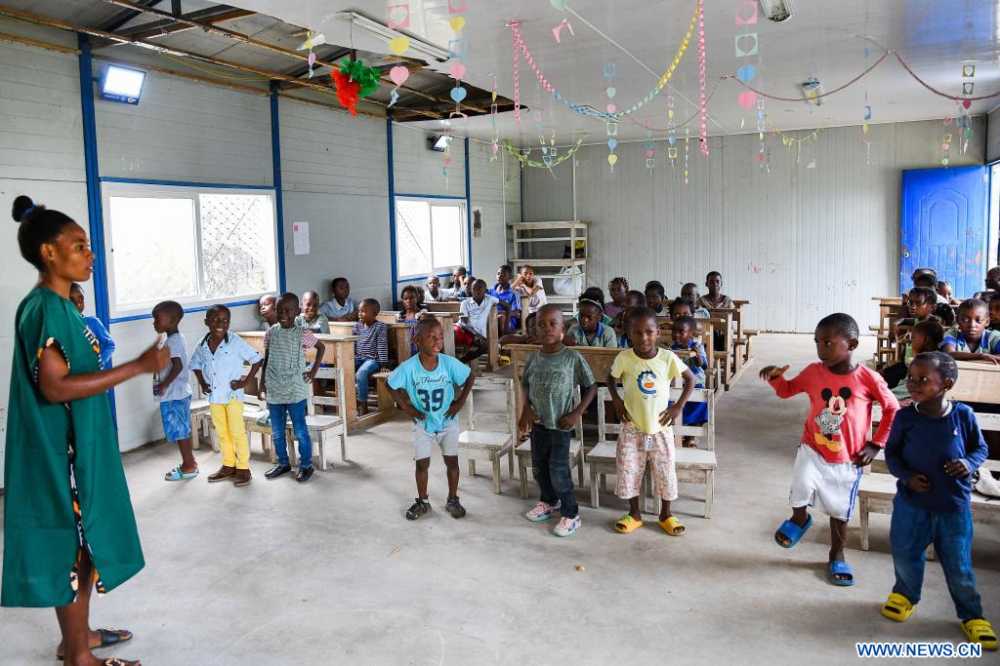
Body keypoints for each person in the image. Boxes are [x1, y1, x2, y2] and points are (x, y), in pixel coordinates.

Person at [4, 195, 169, 665]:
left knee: (85, 545)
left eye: (89, 246)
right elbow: (55, 388)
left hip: (78, 446)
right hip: (61, 453)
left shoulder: (64, 307)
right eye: (78, 246)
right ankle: (79, 655)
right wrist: (136, 366)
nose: (90, 254)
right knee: (74, 550)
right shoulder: (43, 309)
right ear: (49, 253)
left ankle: (76, 638)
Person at [760, 313, 899, 586]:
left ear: (852, 344)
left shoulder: (868, 378)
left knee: (838, 510)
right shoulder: (813, 372)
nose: (820, 350)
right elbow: (787, 390)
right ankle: (799, 518)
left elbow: (893, 408)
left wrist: (875, 443)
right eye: (817, 343)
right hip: (812, 446)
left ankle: (837, 552)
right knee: (800, 485)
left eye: (827, 343)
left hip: (849, 458)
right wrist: (776, 378)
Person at [881, 352, 996, 652]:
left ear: (946, 384)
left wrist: (969, 463)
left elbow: (980, 449)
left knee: (958, 564)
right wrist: (907, 477)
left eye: (923, 379)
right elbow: (892, 454)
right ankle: (905, 595)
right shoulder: (905, 416)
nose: (914, 384)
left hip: (952, 506)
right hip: (911, 503)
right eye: (911, 378)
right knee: (905, 553)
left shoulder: (963, 416)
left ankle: (972, 615)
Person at [607, 307, 695, 536]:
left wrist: (678, 407)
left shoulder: (667, 358)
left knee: (665, 472)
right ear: (628, 333)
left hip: (661, 428)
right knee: (628, 469)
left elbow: (690, 380)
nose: (643, 338)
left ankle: (666, 514)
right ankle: (634, 514)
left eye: (649, 332)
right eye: (637, 333)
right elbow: (610, 378)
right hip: (632, 427)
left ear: (658, 332)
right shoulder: (624, 358)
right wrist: (616, 400)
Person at [519, 304, 597, 537]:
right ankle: (549, 502)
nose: (546, 329)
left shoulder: (572, 358)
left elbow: (591, 386)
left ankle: (571, 514)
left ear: (563, 328)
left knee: (558, 473)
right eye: (541, 325)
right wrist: (525, 408)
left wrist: (577, 412)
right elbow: (525, 385)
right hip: (539, 425)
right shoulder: (534, 358)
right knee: (539, 469)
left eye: (552, 324)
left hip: (561, 426)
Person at [388, 319, 476, 521]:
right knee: (422, 465)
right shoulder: (409, 367)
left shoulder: (447, 363)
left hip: (447, 422)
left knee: (452, 462)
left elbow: (470, 376)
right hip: (423, 424)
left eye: (441, 337)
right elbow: (391, 385)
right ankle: (423, 501)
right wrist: (406, 407)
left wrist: (460, 402)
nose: (438, 341)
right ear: (417, 340)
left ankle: (452, 499)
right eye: (431, 337)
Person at [190, 304, 263, 487]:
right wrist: (201, 381)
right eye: (215, 320)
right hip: (214, 397)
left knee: (237, 431)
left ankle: (243, 468)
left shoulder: (235, 342)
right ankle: (228, 465)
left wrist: (246, 382)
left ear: (229, 322)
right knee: (222, 432)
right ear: (207, 322)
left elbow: (257, 359)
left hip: (232, 396)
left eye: (224, 320)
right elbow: (195, 363)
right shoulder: (202, 344)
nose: (220, 323)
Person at [261, 292, 326, 483]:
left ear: (297, 311)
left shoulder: (302, 333)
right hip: (274, 387)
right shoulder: (271, 332)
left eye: (289, 311)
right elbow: (267, 360)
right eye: (280, 311)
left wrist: (313, 371)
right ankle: (283, 463)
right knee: (277, 430)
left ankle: (305, 465)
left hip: (295, 388)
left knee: (300, 429)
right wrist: (261, 383)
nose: (284, 315)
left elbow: (321, 348)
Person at [152, 300, 197, 482]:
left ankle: (188, 466)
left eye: (156, 319)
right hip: (177, 392)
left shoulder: (174, 341)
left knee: (180, 431)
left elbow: (177, 366)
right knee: (180, 431)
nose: (154, 322)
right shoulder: (174, 339)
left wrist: (165, 385)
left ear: (171, 320)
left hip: (175, 393)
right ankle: (190, 462)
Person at [882, 319, 945, 401]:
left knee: (886, 395)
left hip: (913, 390)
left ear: (925, 340)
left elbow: (910, 385)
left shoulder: (924, 360)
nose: (911, 342)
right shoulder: (935, 356)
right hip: (911, 387)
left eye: (913, 338)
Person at [670, 315, 709, 447]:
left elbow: (703, 365)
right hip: (676, 384)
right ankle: (675, 433)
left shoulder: (698, 346)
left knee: (700, 404)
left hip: (695, 384)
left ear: (691, 334)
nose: (676, 334)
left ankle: (691, 437)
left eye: (681, 332)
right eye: (674, 331)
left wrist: (696, 354)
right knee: (669, 402)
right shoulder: (671, 349)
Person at [353, 299, 389, 416]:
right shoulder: (358, 326)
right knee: (345, 368)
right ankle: (351, 402)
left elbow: (382, 345)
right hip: (358, 358)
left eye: (364, 311)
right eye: (359, 311)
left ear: (374, 314)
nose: (360, 314)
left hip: (372, 360)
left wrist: (383, 364)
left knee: (361, 373)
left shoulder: (380, 327)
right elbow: (352, 343)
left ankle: (363, 404)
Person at [69, 282, 115, 369]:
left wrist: (100, 362)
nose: (77, 304)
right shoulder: (59, 325)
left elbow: (110, 344)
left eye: (81, 300)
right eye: (71, 301)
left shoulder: (93, 322)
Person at [941, 299, 1000, 364]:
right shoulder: (952, 334)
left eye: (978, 320)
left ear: (987, 321)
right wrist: (982, 356)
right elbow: (949, 353)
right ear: (958, 320)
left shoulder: (994, 337)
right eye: (965, 320)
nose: (972, 325)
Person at [455, 279, 497, 364]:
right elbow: (463, 323)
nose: (477, 291)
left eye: (480, 288)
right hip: (463, 329)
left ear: (485, 290)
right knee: (449, 337)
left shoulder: (489, 299)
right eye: (474, 288)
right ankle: (444, 362)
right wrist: (475, 334)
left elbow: (505, 305)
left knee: (485, 346)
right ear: (471, 289)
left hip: (475, 333)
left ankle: (460, 362)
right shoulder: (465, 303)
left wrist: (508, 317)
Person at [890, 286, 937, 355]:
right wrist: (894, 325)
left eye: (918, 304)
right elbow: (904, 320)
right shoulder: (917, 320)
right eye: (910, 303)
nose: (912, 307)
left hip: (924, 362)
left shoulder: (933, 325)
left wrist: (912, 337)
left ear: (932, 307)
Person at [488, 265, 522, 333]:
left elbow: (516, 313)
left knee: (501, 318)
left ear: (509, 277)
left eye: (503, 275)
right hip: (492, 319)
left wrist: (496, 312)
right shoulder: (490, 291)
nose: (499, 276)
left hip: (508, 323)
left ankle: (501, 341)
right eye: (498, 274)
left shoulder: (513, 294)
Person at [397, 285, 428, 356]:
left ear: (417, 298)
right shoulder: (401, 316)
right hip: (402, 347)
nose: (408, 301)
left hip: (417, 349)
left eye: (411, 298)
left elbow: (423, 333)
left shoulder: (421, 315)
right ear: (402, 300)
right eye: (405, 298)